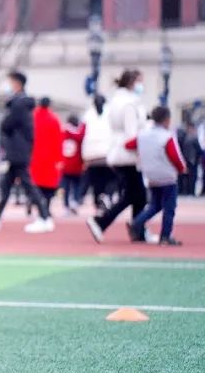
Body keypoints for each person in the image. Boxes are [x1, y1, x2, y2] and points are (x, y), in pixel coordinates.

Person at [0, 71, 54, 233]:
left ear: (17, 84)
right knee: (7, 186)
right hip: (18, 150)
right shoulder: (21, 104)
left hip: (18, 151)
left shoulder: (18, 104)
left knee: (28, 185)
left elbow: (7, 125)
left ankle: (45, 217)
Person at [86, 69, 149, 244]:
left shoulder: (118, 100)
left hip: (118, 151)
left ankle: (138, 230)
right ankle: (102, 221)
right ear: (132, 82)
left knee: (137, 195)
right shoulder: (129, 104)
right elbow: (132, 133)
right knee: (133, 195)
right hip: (128, 155)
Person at [127, 106, 186, 246]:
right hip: (167, 177)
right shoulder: (167, 136)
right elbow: (175, 156)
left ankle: (137, 222)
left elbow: (128, 145)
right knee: (169, 208)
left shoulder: (143, 135)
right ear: (167, 120)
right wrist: (182, 168)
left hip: (150, 176)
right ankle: (165, 236)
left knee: (155, 205)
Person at [29, 97, 63, 216]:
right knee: (48, 186)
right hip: (50, 157)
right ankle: (46, 209)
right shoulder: (54, 119)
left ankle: (31, 203)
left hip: (34, 156)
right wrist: (59, 159)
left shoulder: (32, 117)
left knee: (34, 182)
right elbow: (59, 140)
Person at [81, 94, 114, 211]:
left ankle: (98, 204)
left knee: (95, 182)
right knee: (111, 178)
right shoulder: (110, 112)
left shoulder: (87, 114)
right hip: (107, 152)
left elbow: (82, 133)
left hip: (91, 154)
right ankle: (107, 195)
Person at [60, 115, 85, 215]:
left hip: (65, 164)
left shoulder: (62, 132)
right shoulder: (80, 134)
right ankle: (75, 201)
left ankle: (66, 205)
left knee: (65, 187)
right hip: (77, 164)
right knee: (77, 185)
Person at [177, 116, 202, 197]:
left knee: (186, 177)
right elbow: (199, 150)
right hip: (192, 160)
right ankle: (191, 192)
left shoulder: (184, 137)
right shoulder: (193, 137)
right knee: (192, 177)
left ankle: (186, 192)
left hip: (186, 160)